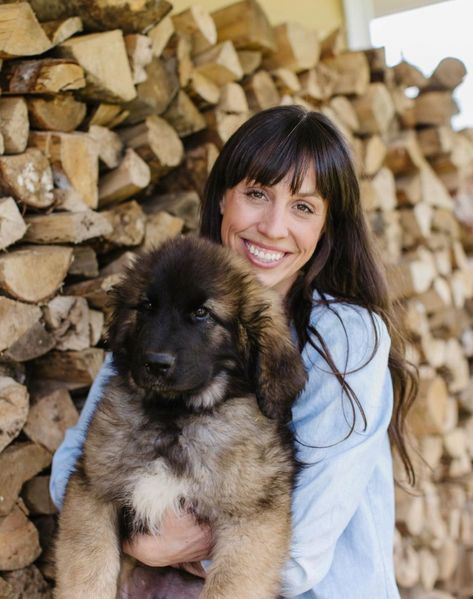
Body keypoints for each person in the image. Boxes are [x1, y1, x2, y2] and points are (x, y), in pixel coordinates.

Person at [50, 105, 417, 598]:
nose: (272, 226)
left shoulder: (347, 335)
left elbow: (300, 553)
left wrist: (159, 547)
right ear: (224, 198)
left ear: (328, 225)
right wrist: (140, 542)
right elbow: (73, 473)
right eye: (257, 194)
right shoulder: (167, 295)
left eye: (303, 207)